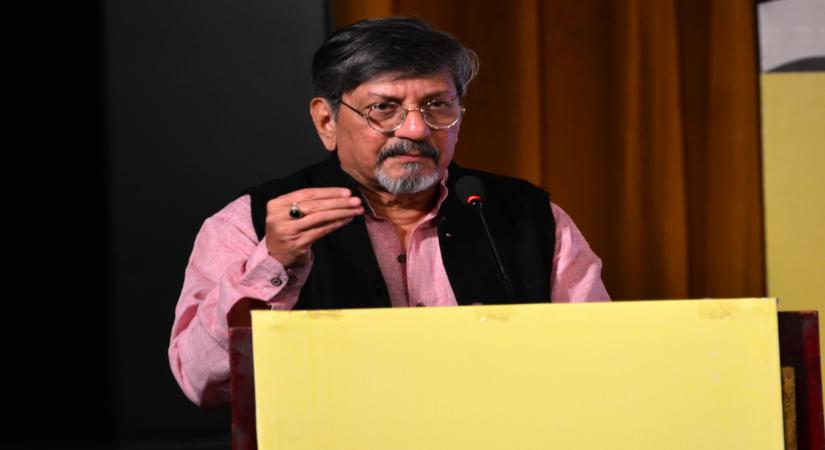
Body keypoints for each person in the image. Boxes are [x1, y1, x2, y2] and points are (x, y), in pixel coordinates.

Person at [169, 17, 610, 407]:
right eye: (384, 108)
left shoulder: (529, 216)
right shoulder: (251, 222)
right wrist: (275, 262)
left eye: (437, 105)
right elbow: (203, 383)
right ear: (326, 121)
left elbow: (598, 361)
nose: (415, 129)